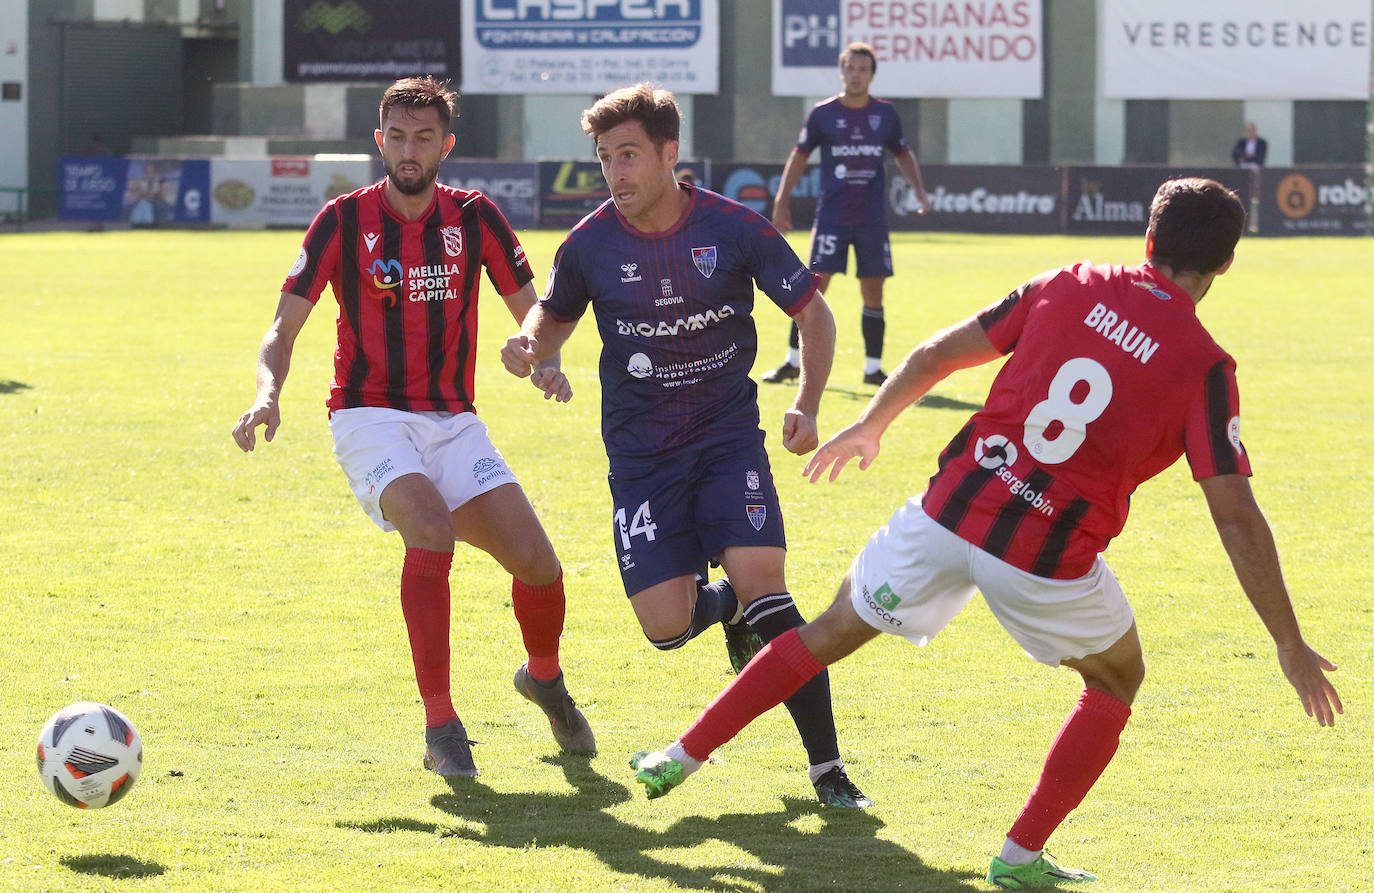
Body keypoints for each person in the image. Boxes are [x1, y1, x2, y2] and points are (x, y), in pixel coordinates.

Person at [627, 177, 1342, 887]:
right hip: (1044, 557)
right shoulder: (1205, 365)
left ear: (1148, 239)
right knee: (1119, 677)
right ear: (1226, 263)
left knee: (825, 633)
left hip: (948, 512)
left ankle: (678, 754)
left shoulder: (1070, 280)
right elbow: (1234, 513)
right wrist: (1287, 639)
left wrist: (872, 424)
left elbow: (939, 354)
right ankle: (1020, 856)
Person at [502, 83, 872, 808]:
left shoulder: (733, 229)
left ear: (670, 154)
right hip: (642, 459)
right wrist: (529, 345)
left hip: (728, 438)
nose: (616, 172)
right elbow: (551, 317)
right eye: (605, 157)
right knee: (667, 627)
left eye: (630, 154)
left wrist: (806, 404)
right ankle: (725, 604)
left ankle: (828, 770)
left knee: (772, 591)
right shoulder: (589, 244)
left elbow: (816, 316)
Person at [231, 76, 595, 779]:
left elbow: (533, 311)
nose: (408, 148)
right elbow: (284, 325)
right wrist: (267, 394)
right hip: (369, 415)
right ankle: (441, 725)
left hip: (454, 421)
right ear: (379, 140)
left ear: (446, 145)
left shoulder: (476, 217)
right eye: (397, 135)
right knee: (428, 529)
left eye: (423, 136)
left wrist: (536, 353)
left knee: (540, 566)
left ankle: (543, 677)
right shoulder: (341, 220)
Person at [764, 42, 929, 387]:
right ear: (842, 71)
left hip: (871, 219)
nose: (855, 75)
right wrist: (782, 201)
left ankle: (872, 368)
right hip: (832, 217)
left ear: (871, 75)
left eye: (862, 69)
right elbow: (799, 157)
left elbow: (903, 153)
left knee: (874, 290)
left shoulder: (885, 114)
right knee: (810, 289)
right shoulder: (823, 114)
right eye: (850, 68)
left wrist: (919, 188)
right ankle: (792, 361)